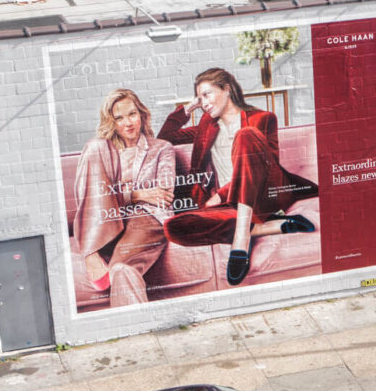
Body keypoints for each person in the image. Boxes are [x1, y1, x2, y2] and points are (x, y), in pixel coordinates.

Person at [158, 67, 317, 286]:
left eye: (207, 94)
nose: (203, 102)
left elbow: (267, 167)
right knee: (173, 228)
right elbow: (165, 138)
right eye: (199, 98)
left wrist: (221, 194)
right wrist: (189, 107)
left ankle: (240, 240)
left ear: (227, 89)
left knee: (246, 136)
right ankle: (270, 226)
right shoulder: (207, 126)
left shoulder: (263, 118)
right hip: (230, 205)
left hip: (264, 195)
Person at [72, 88, 176, 308]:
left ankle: (135, 326)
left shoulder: (161, 148)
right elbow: (96, 195)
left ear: (142, 115)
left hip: (145, 218)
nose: (128, 123)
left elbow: (164, 195)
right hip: (108, 220)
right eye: (119, 118)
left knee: (119, 269)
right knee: (94, 145)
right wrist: (136, 194)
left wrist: (116, 195)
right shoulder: (105, 151)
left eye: (132, 114)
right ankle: (90, 251)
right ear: (112, 123)